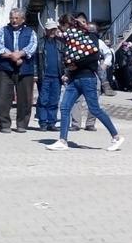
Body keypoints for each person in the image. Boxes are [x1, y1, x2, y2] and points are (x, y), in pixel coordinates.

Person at [46, 14, 124, 152]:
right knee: (65, 107)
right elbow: (70, 54)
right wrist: (69, 69)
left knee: (94, 109)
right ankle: (62, 140)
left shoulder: (91, 37)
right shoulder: (70, 39)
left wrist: (75, 64)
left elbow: (93, 58)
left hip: (87, 78)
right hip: (74, 79)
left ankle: (116, 137)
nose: (62, 30)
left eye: (63, 26)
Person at [0, 8, 37, 133]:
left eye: (16, 18)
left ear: (22, 19)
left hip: (25, 69)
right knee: (3, 97)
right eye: (12, 18)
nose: (13, 20)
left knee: (25, 98)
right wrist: (12, 56)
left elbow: (32, 46)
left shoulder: (30, 32)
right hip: (5, 68)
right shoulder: (3, 30)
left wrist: (20, 54)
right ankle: (5, 124)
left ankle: (22, 124)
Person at [35, 19, 64, 131]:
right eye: (50, 29)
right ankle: (43, 122)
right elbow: (35, 61)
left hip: (57, 76)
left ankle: (51, 122)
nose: (52, 31)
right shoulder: (40, 43)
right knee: (43, 100)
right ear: (46, 30)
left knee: (54, 100)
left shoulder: (60, 44)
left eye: (54, 29)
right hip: (44, 76)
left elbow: (64, 60)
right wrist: (35, 74)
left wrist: (65, 74)